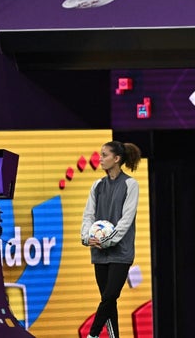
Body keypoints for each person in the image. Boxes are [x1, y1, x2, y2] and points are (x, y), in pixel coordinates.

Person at [80, 140, 143, 338]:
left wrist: (107, 240)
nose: (100, 159)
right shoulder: (97, 185)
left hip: (121, 253)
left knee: (110, 296)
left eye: (104, 155)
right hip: (99, 253)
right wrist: (86, 238)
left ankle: (93, 334)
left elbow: (126, 220)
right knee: (108, 302)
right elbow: (88, 215)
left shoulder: (130, 184)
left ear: (116, 159)